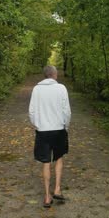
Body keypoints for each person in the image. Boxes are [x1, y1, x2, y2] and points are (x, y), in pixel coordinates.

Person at [29, 65, 71, 208]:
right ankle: (57, 189)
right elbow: (67, 111)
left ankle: (47, 197)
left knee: (46, 162)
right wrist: (66, 126)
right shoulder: (61, 88)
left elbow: (32, 111)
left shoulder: (36, 89)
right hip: (59, 129)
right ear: (54, 75)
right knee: (59, 158)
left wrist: (37, 125)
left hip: (43, 131)